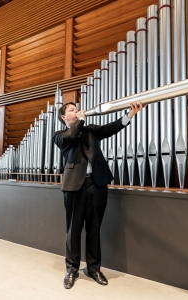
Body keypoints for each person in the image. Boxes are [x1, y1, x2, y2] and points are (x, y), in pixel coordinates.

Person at [53, 101, 145, 289]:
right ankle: (72, 270)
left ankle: (93, 269)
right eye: (72, 110)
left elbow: (110, 128)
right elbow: (71, 136)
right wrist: (80, 122)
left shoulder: (90, 130)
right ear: (64, 117)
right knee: (73, 230)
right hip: (73, 187)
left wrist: (129, 115)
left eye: (77, 109)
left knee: (94, 228)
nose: (77, 111)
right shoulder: (60, 135)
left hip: (96, 184)